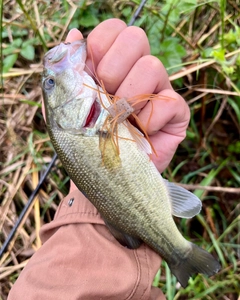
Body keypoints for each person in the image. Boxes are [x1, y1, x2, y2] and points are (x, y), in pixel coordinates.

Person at [8, 19, 190, 299]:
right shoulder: (77, 126)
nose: (54, 76)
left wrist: (96, 230)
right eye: (51, 83)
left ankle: (178, 253)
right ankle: (180, 253)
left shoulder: (83, 123)